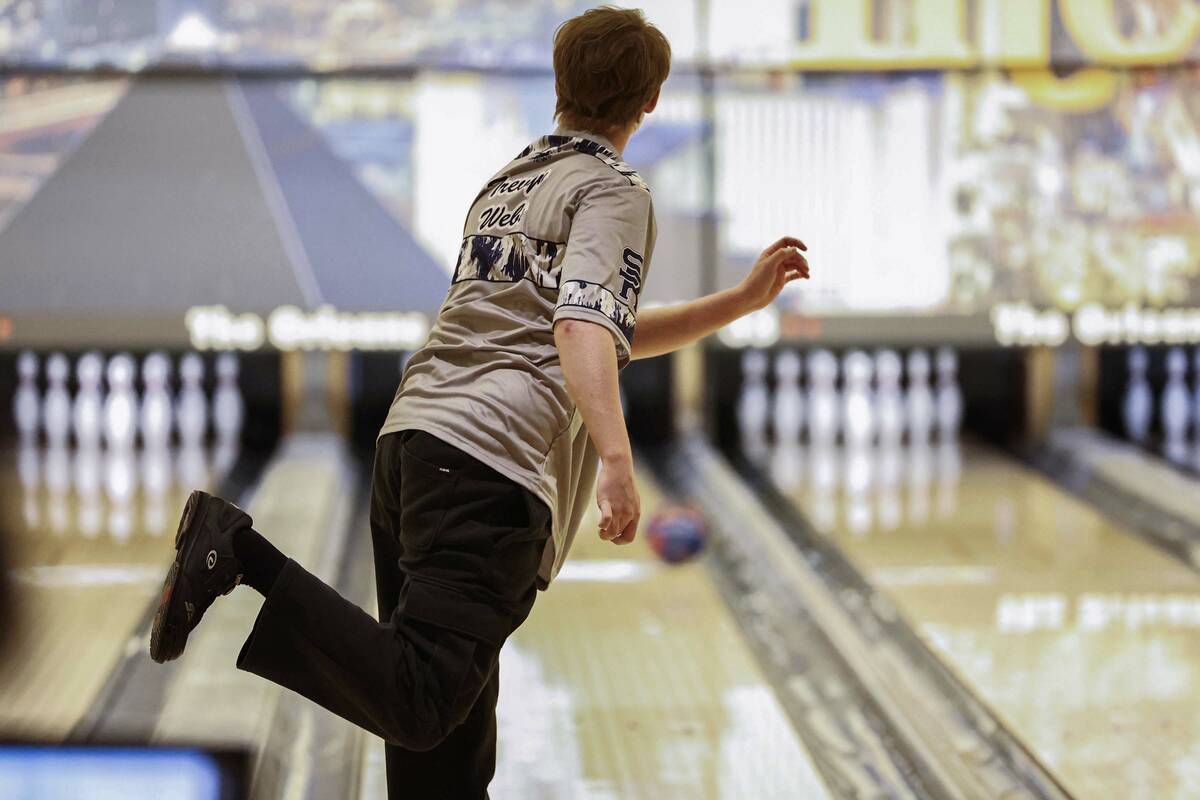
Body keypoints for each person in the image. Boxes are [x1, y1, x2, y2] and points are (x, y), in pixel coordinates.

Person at [148, 6, 809, 798]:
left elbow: (599, 323)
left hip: (413, 444)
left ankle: (241, 554)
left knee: (442, 774)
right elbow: (579, 326)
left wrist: (736, 303)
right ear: (651, 100)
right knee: (424, 705)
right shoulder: (612, 188)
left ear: (561, 86)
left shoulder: (510, 180)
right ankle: (238, 551)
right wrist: (618, 462)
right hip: (488, 466)